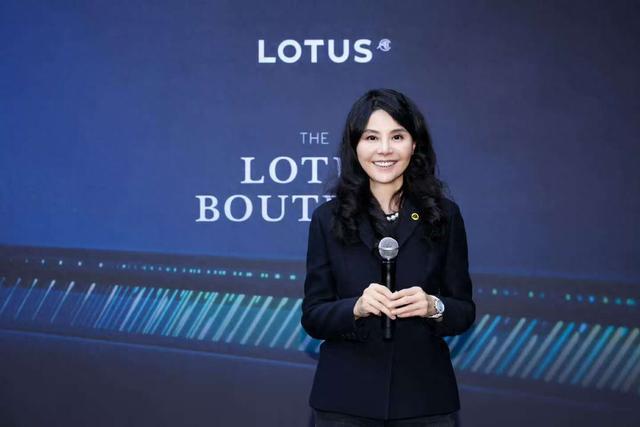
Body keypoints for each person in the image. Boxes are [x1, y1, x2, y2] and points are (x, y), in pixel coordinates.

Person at [301, 89, 475, 426]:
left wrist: (433, 305)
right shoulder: (328, 218)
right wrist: (356, 307)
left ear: (414, 144)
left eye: (397, 136)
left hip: (425, 401)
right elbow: (313, 316)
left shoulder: (445, 215)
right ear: (355, 146)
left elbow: (464, 311)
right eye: (371, 137)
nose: (384, 149)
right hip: (344, 402)